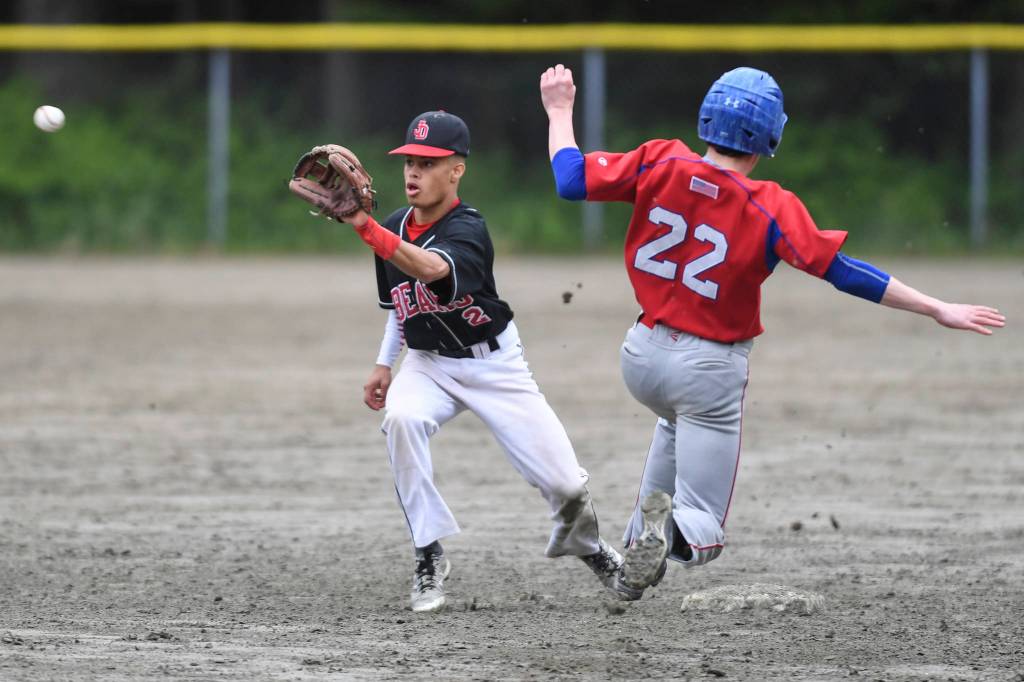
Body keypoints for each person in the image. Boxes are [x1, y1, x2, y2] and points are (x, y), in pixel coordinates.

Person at [539, 64, 1006, 596]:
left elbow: (571, 180)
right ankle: (669, 532)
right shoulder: (769, 205)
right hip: (708, 368)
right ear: (770, 135)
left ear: (707, 115)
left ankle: (635, 569)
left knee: (673, 423)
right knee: (703, 527)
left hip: (641, 356)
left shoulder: (660, 159)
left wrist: (559, 110)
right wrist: (936, 307)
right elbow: (844, 272)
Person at [337, 110, 638, 612]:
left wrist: (368, 231)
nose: (413, 172)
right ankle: (428, 553)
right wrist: (384, 364)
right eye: (409, 160)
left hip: (495, 366)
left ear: (456, 170)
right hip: (429, 363)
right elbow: (400, 306)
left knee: (565, 483)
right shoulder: (390, 228)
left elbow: (431, 269)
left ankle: (587, 547)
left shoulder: (468, 229)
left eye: (428, 163)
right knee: (402, 419)